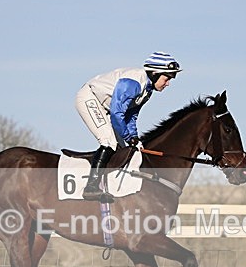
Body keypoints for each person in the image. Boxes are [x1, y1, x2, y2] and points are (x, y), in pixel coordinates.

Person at [75, 51, 181, 201]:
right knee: (108, 142)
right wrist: (128, 136)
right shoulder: (133, 83)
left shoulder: (147, 91)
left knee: (122, 147)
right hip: (90, 99)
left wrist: (134, 138)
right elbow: (117, 113)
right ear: (156, 73)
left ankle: (108, 185)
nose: (168, 83)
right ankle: (90, 187)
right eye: (167, 78)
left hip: (107, 107)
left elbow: (131, 116)